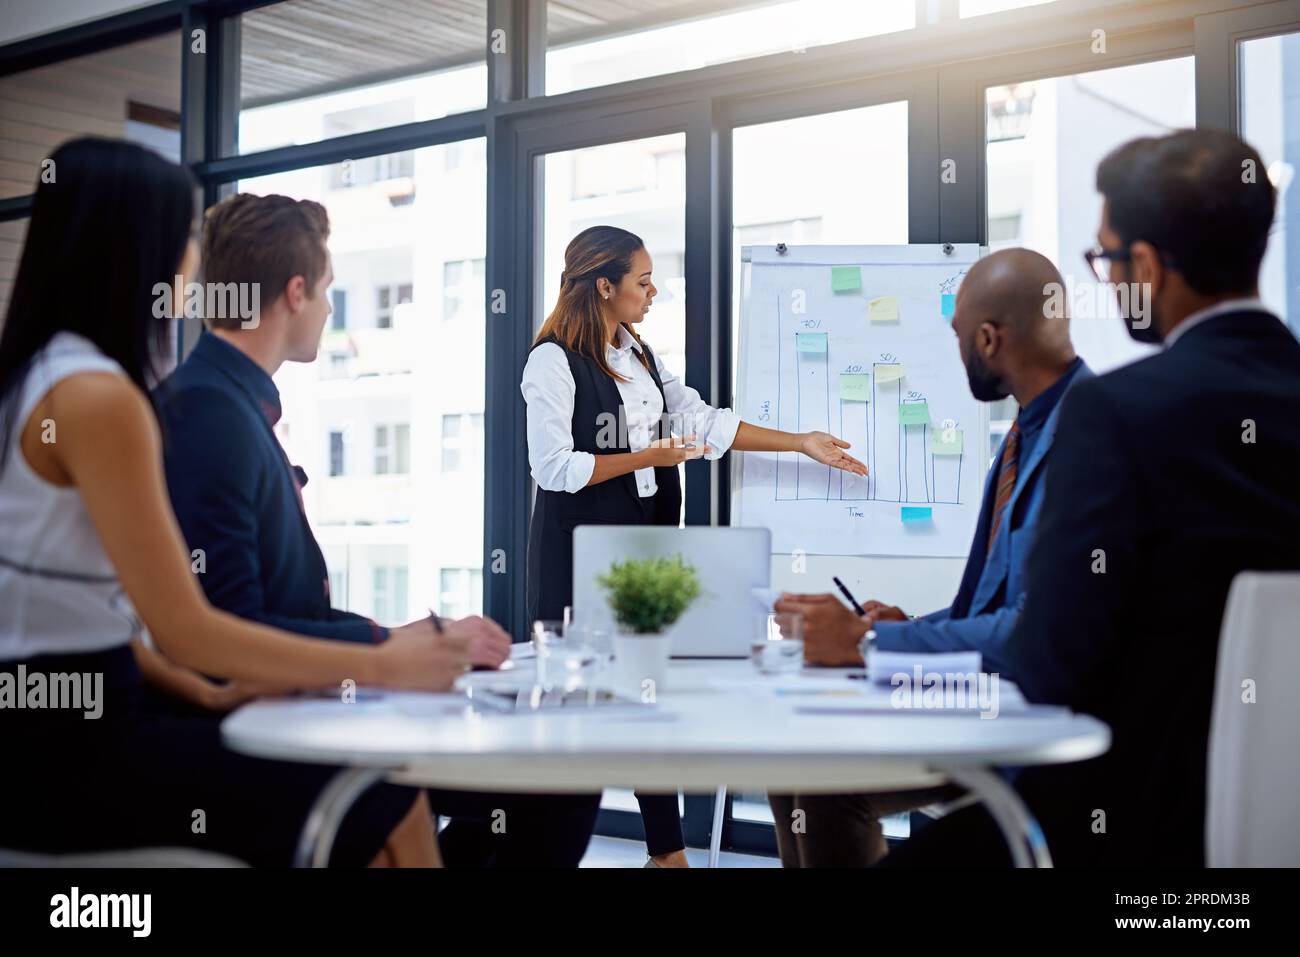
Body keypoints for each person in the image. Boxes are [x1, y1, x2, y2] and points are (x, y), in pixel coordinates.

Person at [0, 137, 467, 867]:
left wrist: (199, 691)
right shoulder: (101, 398)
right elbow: (185, 624)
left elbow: (65, 610)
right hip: (72, 754)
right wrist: (381, 661)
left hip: (40, 730)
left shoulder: (33, 378)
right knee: (384, 798)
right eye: (184, 233)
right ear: (140, 242)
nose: (193, 258)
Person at [888, 129, 1300, 867]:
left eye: (1106, 258)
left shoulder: (1116, 413)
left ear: (1146, 265)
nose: (1104, 281)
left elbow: (1047, 659)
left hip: (1121, 823)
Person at [152, 191, 600, 867]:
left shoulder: (228, 402)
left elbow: (277, 609)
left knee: (559, 768)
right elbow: (228, 624)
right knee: (555, 778)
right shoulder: (209, 413)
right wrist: (389, 643)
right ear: (295, 292)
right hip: (261, 727)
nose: (332, 310)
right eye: (329, 290)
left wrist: (413, 641)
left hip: (305, 698)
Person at [522, 224, 867, 867]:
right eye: (642, 280)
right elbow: (554, 468)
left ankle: (667, 853)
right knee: (583, 701)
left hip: (646, 540)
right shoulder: (552, 361)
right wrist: (648, 453)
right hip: (578, 552)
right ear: (605, 286)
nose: (653, 292)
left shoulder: (642, 356)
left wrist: (801, 443)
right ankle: (549, 847)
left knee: (645, 688)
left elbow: (703, 422)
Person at [769, 248, 1090, 866]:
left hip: (1035, 719)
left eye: (959, 336)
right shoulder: (1028, 431)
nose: (958, 350)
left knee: (827, 787)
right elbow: (995, 601)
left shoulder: (1086, 434)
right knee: (797, 760)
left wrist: (867, 644)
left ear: (989, 339)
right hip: (989, 695)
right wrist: (909, 628)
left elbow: (1033, 627)